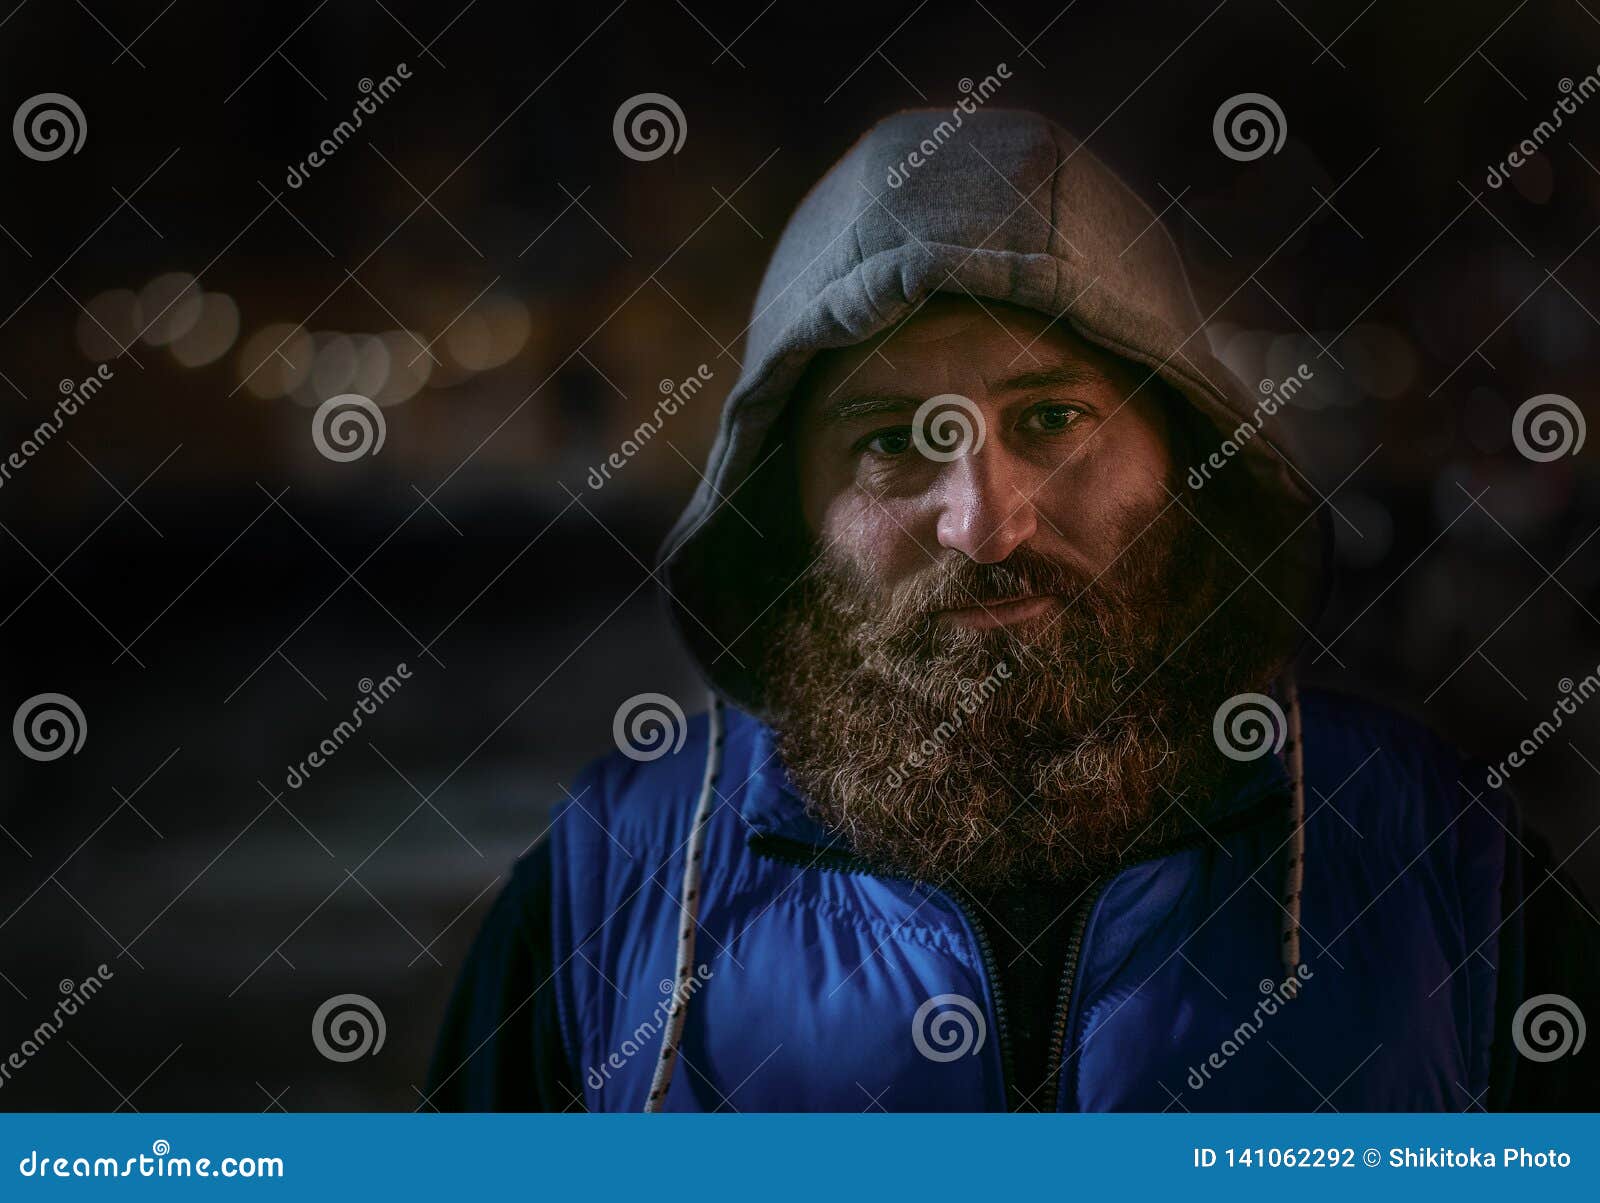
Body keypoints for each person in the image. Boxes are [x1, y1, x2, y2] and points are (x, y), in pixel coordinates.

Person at [426, 109, 1596, 1112]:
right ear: (787, 515)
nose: (984, 528)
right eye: (892, 442)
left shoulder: (1432, 862)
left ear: (1183, 457)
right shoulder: (612, 887)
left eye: (1050, 422)